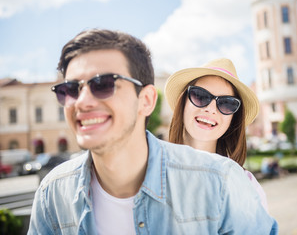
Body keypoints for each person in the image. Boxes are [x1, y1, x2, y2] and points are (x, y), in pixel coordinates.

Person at [28, 29, 278, 234]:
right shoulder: (52, 193)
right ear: (182, 103)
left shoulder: (227, 182)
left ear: (146, 100)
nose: (83, 101)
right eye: (70, 88)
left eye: (104, 85)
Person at [165, 58, 268, 211]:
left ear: (233, 119)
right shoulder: (151, 173)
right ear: (183, 102)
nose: (211, 109)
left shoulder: (247, 187)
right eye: (200, 96)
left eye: (227, 103)